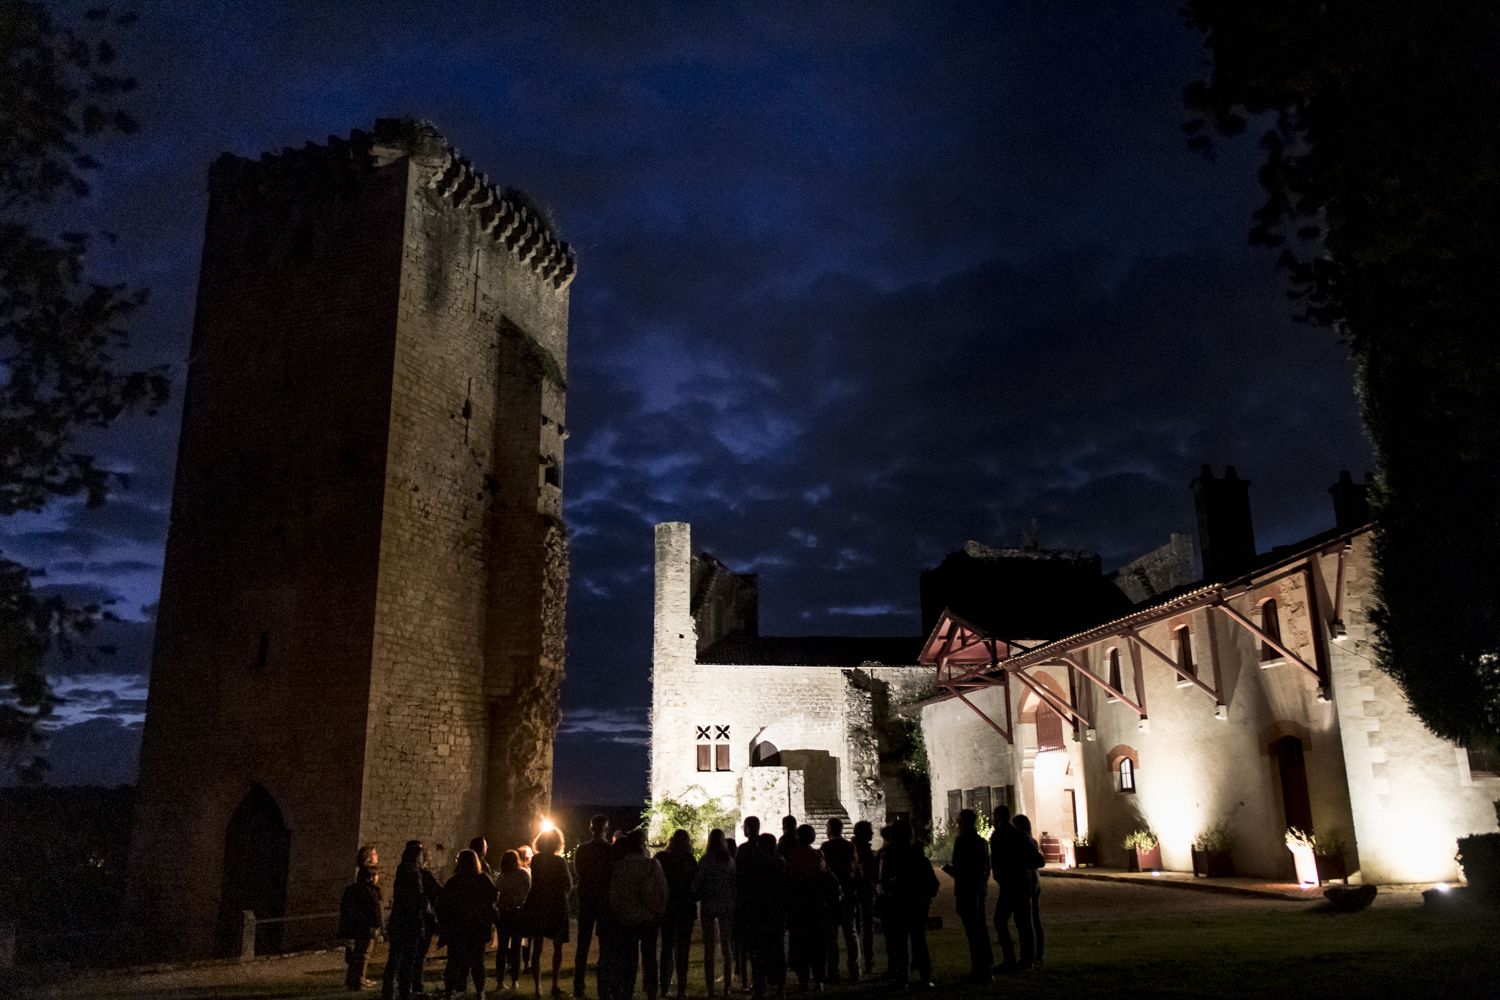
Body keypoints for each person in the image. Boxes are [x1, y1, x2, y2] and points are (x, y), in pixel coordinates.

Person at [606, 829, 669, 1000]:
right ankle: (651, 992)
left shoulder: (621, 866)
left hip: (627, 920)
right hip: (649, 919)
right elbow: (662, 892)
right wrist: (658, 912)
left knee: (629, 960)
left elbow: (614, 895)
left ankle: (627, 991)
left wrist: (621, 914)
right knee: (650, 958)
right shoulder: (652, 865)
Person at [875, 820, 937, 989]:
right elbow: (929, 879)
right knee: (919, 941)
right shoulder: (916, 852)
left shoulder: (890, 854)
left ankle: (903, 979)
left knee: (900, 942)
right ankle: (925, 977)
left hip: (899, 903)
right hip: (916, 903)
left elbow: (885, 880)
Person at [438, 849, 499, 999]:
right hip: (476, 927)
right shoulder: (482, 879)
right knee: (477, 962)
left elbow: (442, 903)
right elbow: (494, 896)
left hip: (457, 927)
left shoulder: (454, 881)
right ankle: (480, 992)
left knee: (453, 961)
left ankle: (448, 992)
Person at [990, 805, 1043, 972]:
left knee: (1000, 920)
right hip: (1023, 882)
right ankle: (1027, 960)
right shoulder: (1019, 835)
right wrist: (1025, 868)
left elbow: (996, 863)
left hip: (1009, 884)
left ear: (997, 817)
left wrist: (1003, 877)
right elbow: (1038, 860)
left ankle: (1010, 959)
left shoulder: (998, 836)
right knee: (1023, 922)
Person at [942, 809, 993, 983]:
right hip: (979, 889)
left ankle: (979, 968)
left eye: (959, 821)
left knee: (973, 930)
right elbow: (985, 867)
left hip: (967, 890)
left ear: (963, 822)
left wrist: (948, 869)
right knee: (980, 928)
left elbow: (962, 870)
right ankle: (985, 966)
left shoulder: (963, 841)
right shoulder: (981, 842)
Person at [524, 828, 573, 997]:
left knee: (536, 947)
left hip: (537, 903)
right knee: (557, 946)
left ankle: (538, 988)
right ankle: (554, 985)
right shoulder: (559, 862)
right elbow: (568, 884)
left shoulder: (536, 860)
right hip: (556, 904)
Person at [384, 841, 435, 1000]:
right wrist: (426, 906)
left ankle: (389, 991)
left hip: (400, 919)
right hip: (410, 921)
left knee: (395, 957)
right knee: (408, 959)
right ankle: (404, 991)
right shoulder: (413, 872)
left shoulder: (403, 869)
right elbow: (417, 897)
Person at [573, 815, 615, 999]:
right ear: (606, 829)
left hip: (587, 899)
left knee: (583, 945)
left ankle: (578, 986)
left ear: (591, 829)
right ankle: (603, 987)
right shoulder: (610, 850)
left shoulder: (582, 849)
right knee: (605, 946)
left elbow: (578, 871)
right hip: (604, 901)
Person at [783, 824, 829, 992]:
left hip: (798, 903)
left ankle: (804, 980)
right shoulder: (817, 854)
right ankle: (819, 980)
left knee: (800, 942)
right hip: (815, 903)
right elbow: (823, 875)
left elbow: (788, 878)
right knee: (817, 942)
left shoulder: (792, 855)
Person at [693, 828, 736, 998]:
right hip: (726, 905)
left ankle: (710, 987)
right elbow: (734, 882)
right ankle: (727, 986)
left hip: (709, 905)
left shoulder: (705, 860)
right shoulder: (729, 860)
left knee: (709, 948)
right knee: (726, 946)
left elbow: (697, 884)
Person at [656, 829, 699, 1000]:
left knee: (666, 948)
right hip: (685, 909)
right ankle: (681, 988)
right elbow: (696, 885)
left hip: (667, 908)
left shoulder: (661, 858)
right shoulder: (689, 860)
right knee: (683, 950)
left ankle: (664, 986)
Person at [819, 818, 859, 983]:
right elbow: (854, 868)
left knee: (832, 936)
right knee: (851, 933)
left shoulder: (825, 847)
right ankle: (855, 971)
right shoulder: (849, 847)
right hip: (848, 893)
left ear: (830, 829)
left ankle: (833, 972)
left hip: (832, 895)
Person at [340, 864, 383, 991]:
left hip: (353, 927)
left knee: (355, 954)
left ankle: (353, 980)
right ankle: (360, 981)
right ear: (371, 877)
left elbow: (345, 908)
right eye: (376, 875)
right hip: (366, 928)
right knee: (364, 954)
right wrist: (377, 926)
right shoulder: (370, 891)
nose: (377, 877)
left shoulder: (352, 889)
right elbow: (375, 911)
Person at [494, 850, 532, 992]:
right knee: (516, 948)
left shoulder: (501, 877)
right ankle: (515, 981)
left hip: (503, 914)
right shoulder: (522, 875)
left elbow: (497, 894)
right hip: (517, 913)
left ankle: (500, 981)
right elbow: (528, 892)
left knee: (502, 949)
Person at [1012, 815, 1046, 967]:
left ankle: (1035, 955)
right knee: (1033, 920)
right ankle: (1036, 954)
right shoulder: (1030, 840)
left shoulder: (1026, 841)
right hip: (1033, 883)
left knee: (1031, 921)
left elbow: (1035, 862)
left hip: (1030, 884)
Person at [850, 821, 878, 978]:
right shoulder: (863, 851)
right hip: (864, 891)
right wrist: (872, 884)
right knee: (866, 928)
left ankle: (863, 962)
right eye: (869, 831)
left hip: (857, 891)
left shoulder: (853, 848)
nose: (872, 834)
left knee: (858, 928)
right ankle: (868, 961)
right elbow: (865, 872)